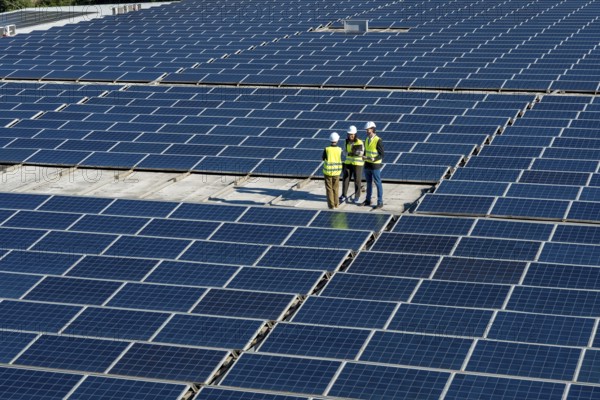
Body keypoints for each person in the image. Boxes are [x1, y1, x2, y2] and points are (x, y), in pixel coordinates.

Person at [361, 121, 384, 209]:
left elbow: (382, 154)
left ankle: (380, 201)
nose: (367, 131)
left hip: (375, 166)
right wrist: (363, 156)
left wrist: (374, 158)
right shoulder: (366, 139)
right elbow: (366, 151)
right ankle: (368, 200)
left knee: (378, 183)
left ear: (373, 129)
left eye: (368, 130)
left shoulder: (378, 140)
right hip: (367, 164)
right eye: (366, 130)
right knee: (368, 183)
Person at [340, 125, 364, 204]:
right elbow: (344, 152)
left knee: (357, 180)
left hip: (357, 164)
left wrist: (355, 153)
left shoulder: (359, 142)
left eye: (352, 134)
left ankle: (357, 196)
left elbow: (361, 153)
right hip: (348, 163)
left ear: (355, 134)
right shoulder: (346, 141)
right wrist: (348, 153)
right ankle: (344, 195)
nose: (351, 136)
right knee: (345, 179)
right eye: (350, 134)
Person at [322, 132, 342, 209]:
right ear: (337, 140)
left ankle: (331, 205)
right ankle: (336, 204)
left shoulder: (327, 149)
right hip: (336, 172)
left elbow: (323, 158)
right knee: (335, 188)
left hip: (327, 172)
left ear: (330, 140)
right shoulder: (340, 149)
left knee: (329, 189)